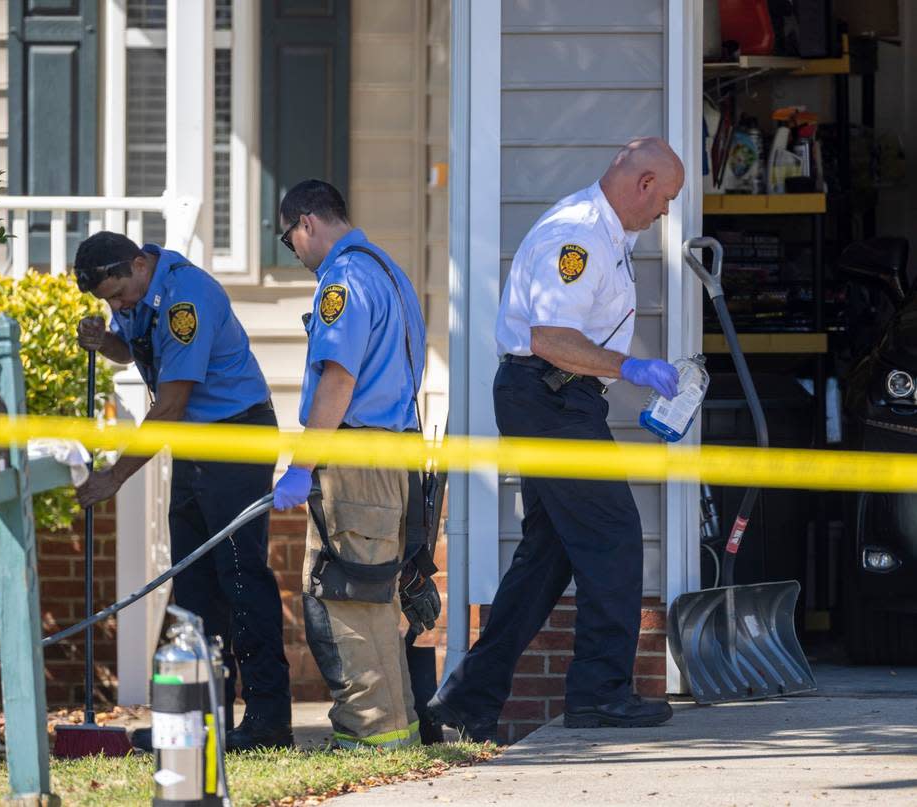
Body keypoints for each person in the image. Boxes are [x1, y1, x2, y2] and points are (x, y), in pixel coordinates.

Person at [428, 137, 685, 740]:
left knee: (549, 553)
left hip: (556, 399)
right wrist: (630, 369)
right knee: (614, 535)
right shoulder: (579, 236)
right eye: (667, 197)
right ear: (644, 183)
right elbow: (549, 337)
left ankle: (466, 703)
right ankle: (600, 693)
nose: (666, 212)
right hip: (546, 396)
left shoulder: (609, 235)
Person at [72, 231, 293, 751]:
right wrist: (106, 342)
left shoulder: (185, 299)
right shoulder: (141, 293)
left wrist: (114, 476)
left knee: (240, 578)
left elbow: (168, 407)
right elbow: (136, 352)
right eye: (107, 300)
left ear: (139, 264)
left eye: (118, 294)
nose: (116, 305)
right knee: (193, 586)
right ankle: (196, 720)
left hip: (235, 436)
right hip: (196, 443)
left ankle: (268, 721)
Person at [270, 179, 435, 749]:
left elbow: (339, 378)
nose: (296, 254)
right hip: (394, 456)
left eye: (291, 241)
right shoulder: (387, 269)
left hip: (357, 457)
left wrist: (301, 463)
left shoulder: (341, 280)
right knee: (375, 594)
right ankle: (398, 728)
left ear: (307, 223)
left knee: (347, 595)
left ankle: (372, 733)